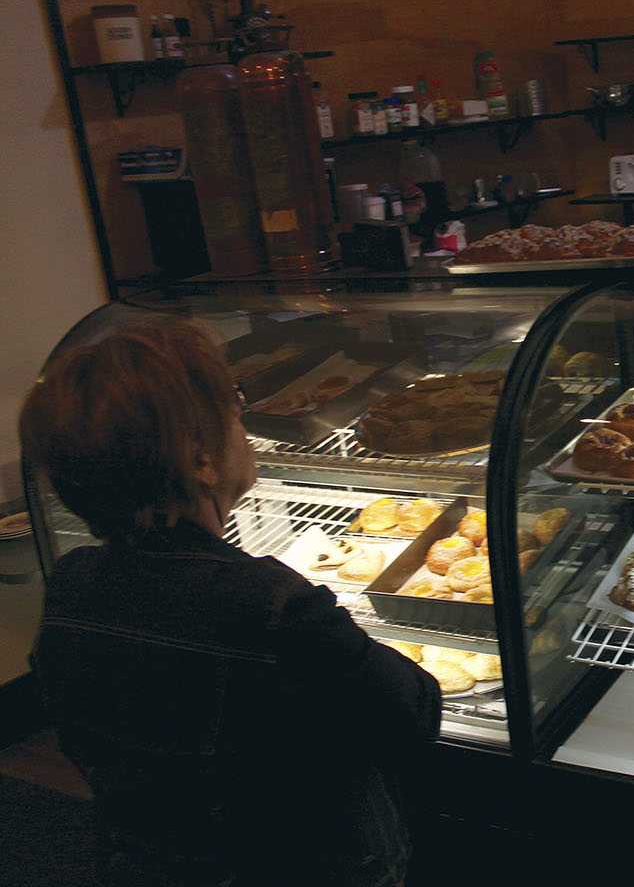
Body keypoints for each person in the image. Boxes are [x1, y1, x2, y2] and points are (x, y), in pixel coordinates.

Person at [19, 317, 442, 887]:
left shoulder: (71, 585)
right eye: (235, 412)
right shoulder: (272, 606)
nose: (243, 430)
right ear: (201, 460)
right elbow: (414, 712)